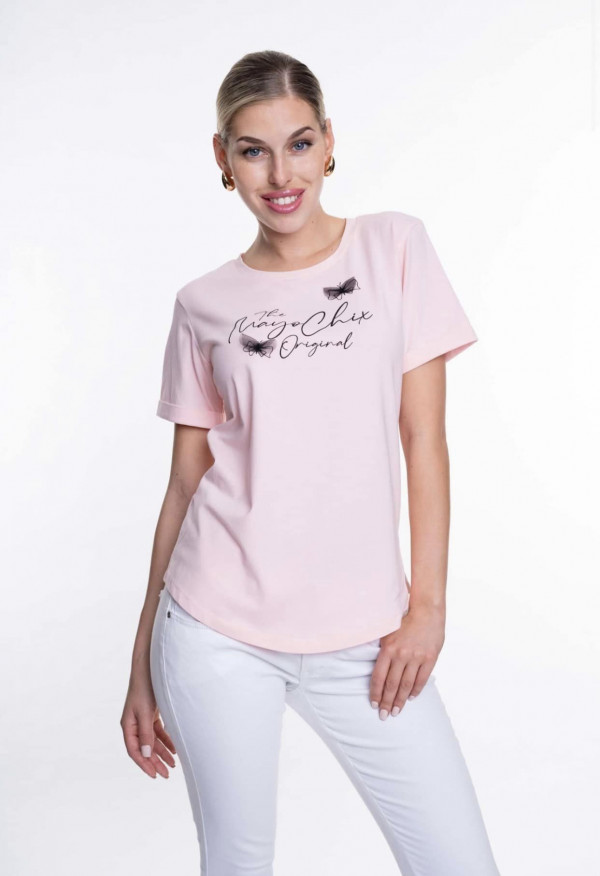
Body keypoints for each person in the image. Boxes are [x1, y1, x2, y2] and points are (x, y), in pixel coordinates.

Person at [120, 49, 501, 876]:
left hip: (368, 637)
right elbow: (185, 484)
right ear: (223, 158)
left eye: (298, 144)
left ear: (329, 141)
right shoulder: (202, 304)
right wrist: (142, 663)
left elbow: (423, 438)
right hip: (217, 629)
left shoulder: (394, 249)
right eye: (253, 151)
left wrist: (428, 607)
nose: (281, 174)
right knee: (238, 863)